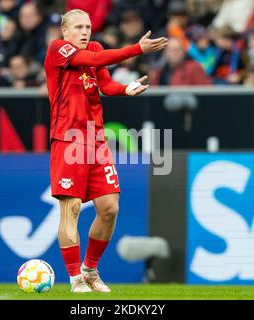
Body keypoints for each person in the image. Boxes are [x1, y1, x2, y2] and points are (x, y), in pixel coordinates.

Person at [44, 9, 167, 293]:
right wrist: (137, 49)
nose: (85, 31)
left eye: (87, 26)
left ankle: (89, 269)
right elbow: (94, 60)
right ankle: (75, 278)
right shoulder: (58, 49)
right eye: (78, 27)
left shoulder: (95, 48)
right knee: (71, 208)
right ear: (65, 31)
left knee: (110, 209)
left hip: (96, 141)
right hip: (68, 138)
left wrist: (126, 89)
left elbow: (105, 84)